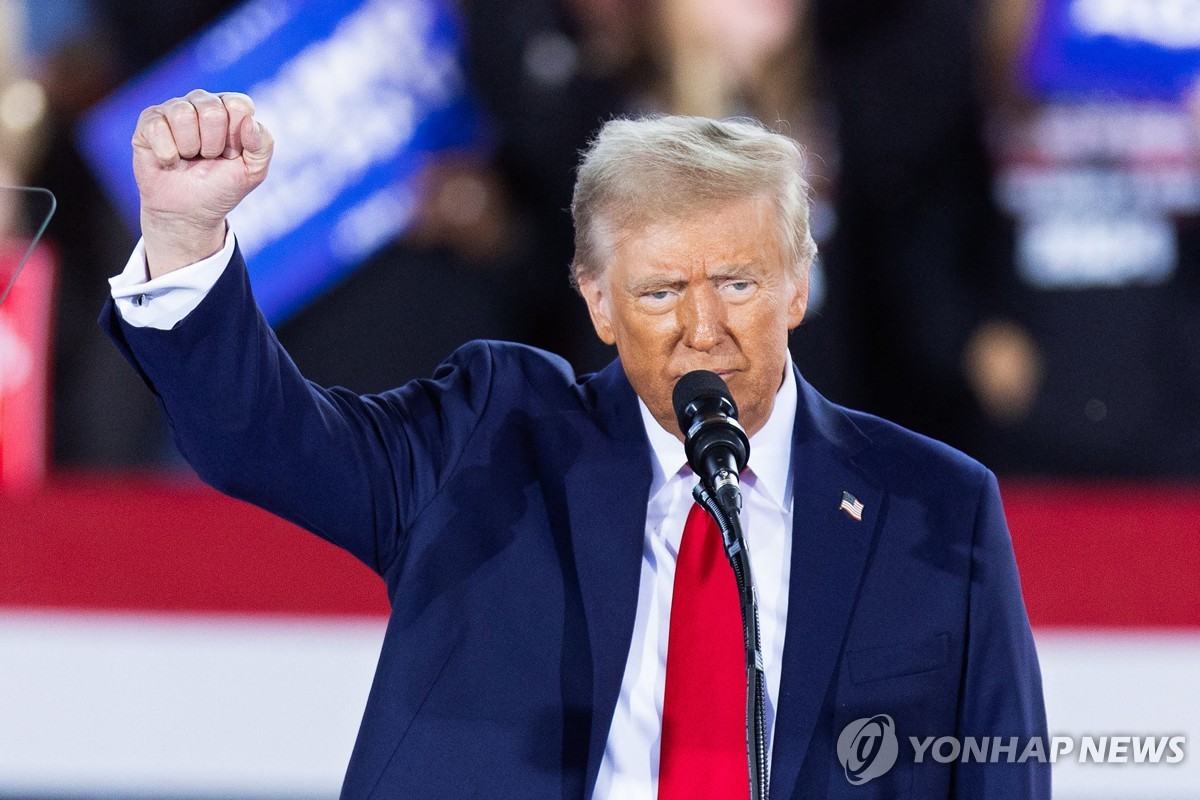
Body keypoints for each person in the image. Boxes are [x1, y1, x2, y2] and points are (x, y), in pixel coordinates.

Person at [100, 90, 1048, 798]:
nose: (703, 328)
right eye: (659, 291)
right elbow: (262, 441)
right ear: (596, 300)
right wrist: (185, 234)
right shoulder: (491, 434)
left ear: (799, 285)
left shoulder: (935, 505)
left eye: (739, 283)